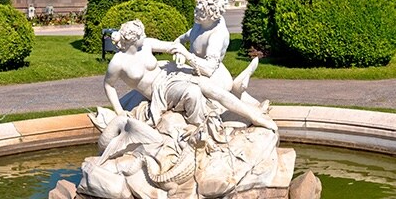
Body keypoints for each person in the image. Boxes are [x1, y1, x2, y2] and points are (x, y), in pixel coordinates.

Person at [104, 20, 276, 131]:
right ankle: (201, 127)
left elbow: (172, 46)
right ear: (132, 40)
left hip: (170, 74)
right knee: (192, 92)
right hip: (160, 90)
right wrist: (119, 111)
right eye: (141, 36)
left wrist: (181, 52)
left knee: (210, 87)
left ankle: (253, 115)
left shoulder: (146, 44)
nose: (145, 37)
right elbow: (108, 85)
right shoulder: (118, 62)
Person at [174, 0, 260, 105]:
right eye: (197, 9)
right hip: (194, 71)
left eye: (200, 11)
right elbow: (181, 39)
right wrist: (178, 50)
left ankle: (251, 105)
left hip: (215, 79)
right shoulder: (199, 23)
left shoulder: (216, 35)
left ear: (211, 15)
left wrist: (185, 55)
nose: (196, 13)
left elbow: (209, 69)